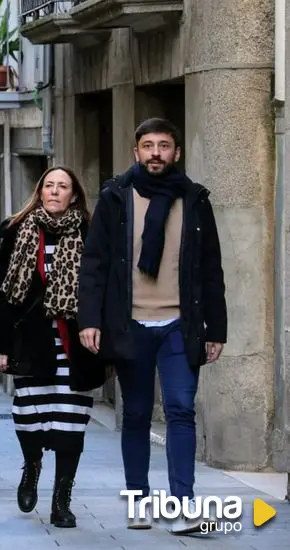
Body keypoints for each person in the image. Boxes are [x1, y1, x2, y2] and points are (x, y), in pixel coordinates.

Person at [78, 118, 227, 534]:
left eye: (164, 145)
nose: (156, 153)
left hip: (180, 324)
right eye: (148, 145)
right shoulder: (116, 197)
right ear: (136, 152)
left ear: (176, 152)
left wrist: (216, 328)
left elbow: (211, 269)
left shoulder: (195, 200)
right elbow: (94, 265)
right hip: (131, 325)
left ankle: (183, 505)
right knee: (137, 414)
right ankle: (138, 501)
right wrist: (90, 319)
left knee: (181, 410)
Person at [0, 166, 106, 529]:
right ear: (39, 192)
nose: (54, 192)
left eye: (63, 186)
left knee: (71, 423)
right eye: (49, 185)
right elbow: (2, 294)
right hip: (31, 340)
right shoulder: (16, 230)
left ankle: (61, 500)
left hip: (75, 342)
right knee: (29, 415)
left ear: (74, 194)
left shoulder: (91, 232)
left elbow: (103, 286)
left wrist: (100, 330)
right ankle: (32, 467)